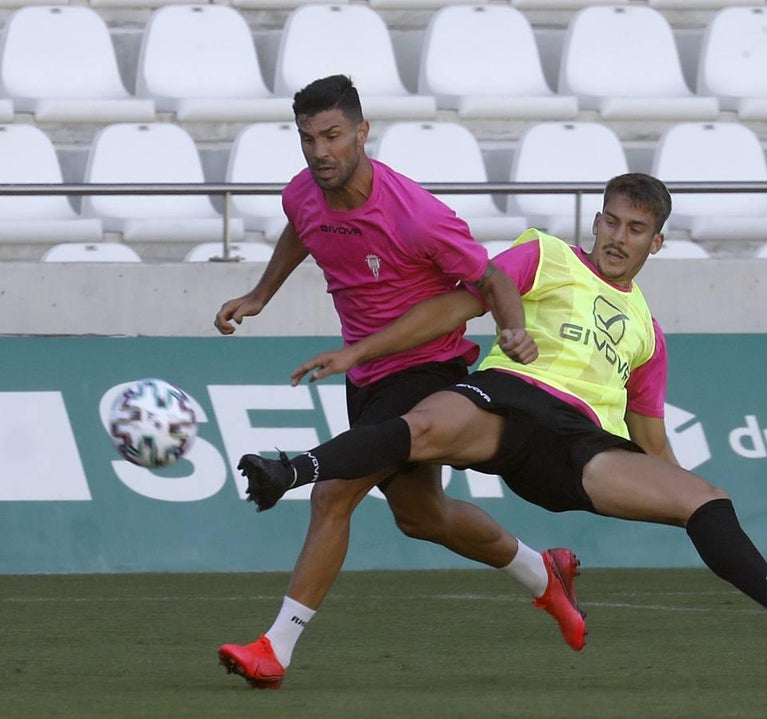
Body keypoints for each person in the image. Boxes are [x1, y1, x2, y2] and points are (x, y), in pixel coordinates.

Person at [238, 172, 767, 654]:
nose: (617, 239)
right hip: (510, 404)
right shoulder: (545, 255)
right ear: (595, 223)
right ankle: (288, 472)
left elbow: (654, 445)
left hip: (582, 449)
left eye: (634, 230)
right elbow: (462, 305)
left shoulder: (648, 333)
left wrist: (748, 549)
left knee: (704, 495)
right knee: (422, 429)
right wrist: (363, 350)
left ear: (656, 243)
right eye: (610, 223)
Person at [214, 75, 585, 690]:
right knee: (422, 516)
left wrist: (513, 330)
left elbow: (491, 279)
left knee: (333, 494)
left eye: (332, 135)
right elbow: (301, 228)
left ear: (362, 132)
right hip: (365, 374)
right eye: (307, 138)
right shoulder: (303, 194)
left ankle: (274, 648)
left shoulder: (415, 213)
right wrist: (259, 294)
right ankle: (543, 575)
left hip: (426, 369)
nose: (320, 151)